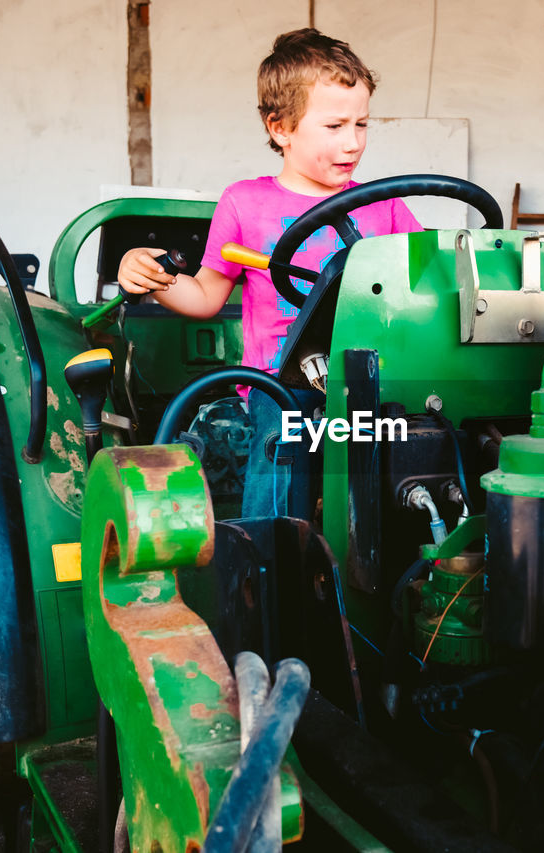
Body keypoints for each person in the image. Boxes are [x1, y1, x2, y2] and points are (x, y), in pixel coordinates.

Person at [117, 28, 421, 517]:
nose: (353, 143)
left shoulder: (382, 205)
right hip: (281, 384)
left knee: (406, 458)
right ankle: (269, 566)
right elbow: (206, 297)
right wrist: (155, 275)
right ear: (280, 127)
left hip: (369, 379)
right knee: (282, 458)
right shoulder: (245, 202)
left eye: (362, 125)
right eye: (335, 126)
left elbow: (423, 283)